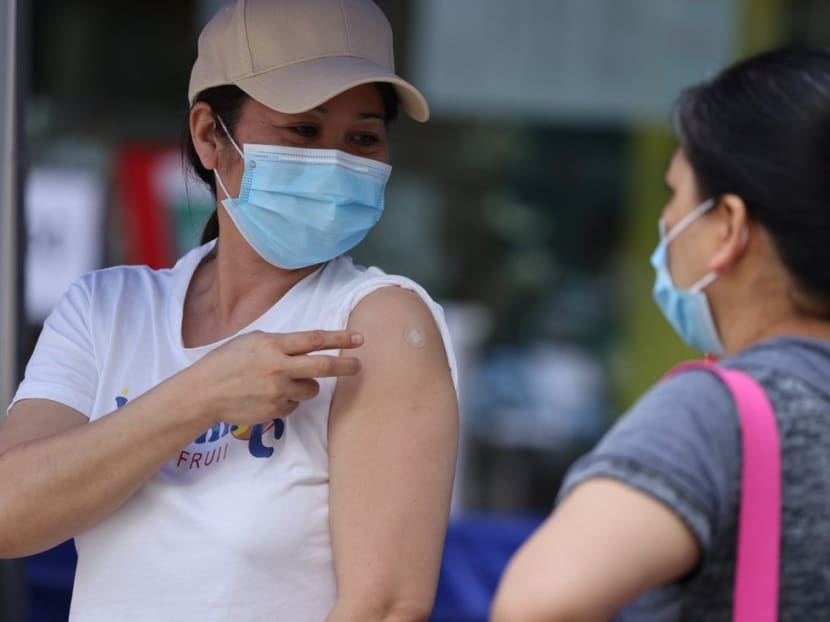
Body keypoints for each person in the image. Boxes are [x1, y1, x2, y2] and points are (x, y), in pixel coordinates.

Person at [0, 1, 459, 620]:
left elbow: (382, 606)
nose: (335, 160)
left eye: (363, 138)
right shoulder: (106, 309)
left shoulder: (377, 324)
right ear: (211, 135)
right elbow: (10, 515)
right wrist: (199, 395)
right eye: (303, 130)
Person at [491, 47, 830, 621]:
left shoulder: (717, 415)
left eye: (675, 192)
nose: (668, 222)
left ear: (727, 226)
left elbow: (534, 607)